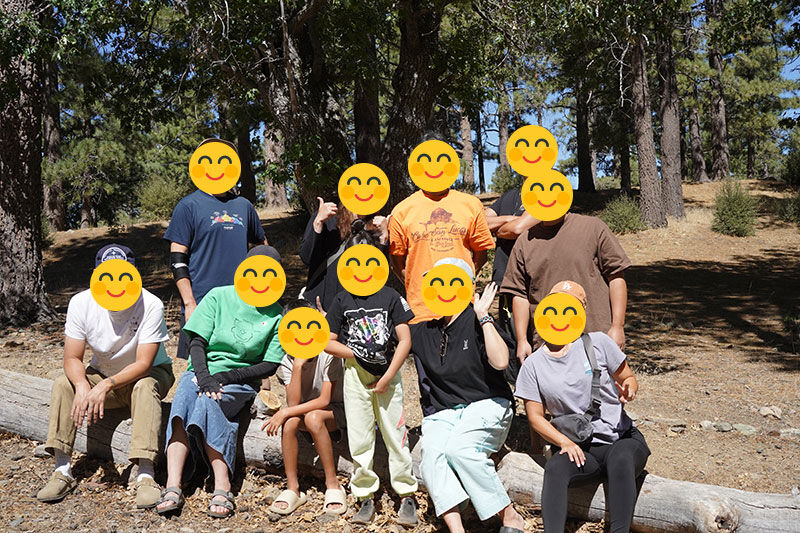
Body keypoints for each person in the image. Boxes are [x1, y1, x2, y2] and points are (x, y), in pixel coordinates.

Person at [37, 244, 174, 509]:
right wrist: (81, 385)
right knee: (63, 383)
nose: (115, 282)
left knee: (145, 386)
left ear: (134, 274)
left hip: (147, 375)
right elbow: (72, 358)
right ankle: (62, 470)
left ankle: (146, 473)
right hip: (103, 373)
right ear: (96, 275)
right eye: (107, 274)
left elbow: (144, 364)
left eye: (123, 274)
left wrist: (105, 386)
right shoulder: (81, 303)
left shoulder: (151, 304)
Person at [155, 245, 284, 518]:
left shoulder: (276, 314)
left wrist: (226, 377)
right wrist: (203, 376)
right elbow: (197, 341)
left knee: (208, 403)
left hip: (241, 379)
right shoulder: (219, 296)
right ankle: (173, 483)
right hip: (202, 370)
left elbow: (270, 364)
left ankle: (222, 483)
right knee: (183, 400)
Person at [514, 281, 649, 533]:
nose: (560, 316)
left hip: (620, 439)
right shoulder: (533, 365)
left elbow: (628, 378)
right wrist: (564, 442)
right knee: (555, 468)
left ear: (581, 312)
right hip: (580, 446)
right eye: (554, 308)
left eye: (569, 309)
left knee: (620, 459)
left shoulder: (599, 343)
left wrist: (629, 389)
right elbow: (535, 417)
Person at [410, 259, 525, 533]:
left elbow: (500, 361)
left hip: (487, 404)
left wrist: (484, 316)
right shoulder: (424, 330)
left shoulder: (477, 321)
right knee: (432, 456)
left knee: (460, 450)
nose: (442, 290)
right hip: (444, 412)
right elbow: (387, 334)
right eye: (435, 283)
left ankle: (510, 516)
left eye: (450, 283)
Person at [324, 223, 419, 526]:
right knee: (360, 436)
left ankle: (406, 494)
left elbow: (405, 339)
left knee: (395, 434)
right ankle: (365, 495)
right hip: (355, 377)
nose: (362, 269)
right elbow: (327, 341)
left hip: (389, 375)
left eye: (369, 261)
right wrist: (355, 354)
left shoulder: (390, 296)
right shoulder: (342, 300)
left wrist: (389, 376)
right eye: (355, 261)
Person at [164, 139, 267, 360]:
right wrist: (189, 303)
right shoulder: (188, 206)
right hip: (202, 303)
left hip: (243, 302)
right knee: (200, 369)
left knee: (244, 368)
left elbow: (264, 251)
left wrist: (263, 292)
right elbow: (177, 259)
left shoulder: (244, 206)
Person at [499, 209, 631, 368]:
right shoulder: (524, 241)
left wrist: (617, 326)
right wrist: (522, 340)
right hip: (548, 345)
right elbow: (519, 294)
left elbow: (616, 276)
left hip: (595, 339)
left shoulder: (593, 227)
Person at [388, 140, 495, 325]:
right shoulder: (402, 210)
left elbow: (481, 253)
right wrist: (417, 284)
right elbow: (396, 261)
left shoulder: (471, 205)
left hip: (461, 306)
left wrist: (464, 279)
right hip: (421, 312)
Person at [266, 299, 348, 516]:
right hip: (303, 410)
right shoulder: (287, 361)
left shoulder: (328, 353)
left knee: (311, 417)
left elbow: (324, 400)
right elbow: (294, 404)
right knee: (291, 423)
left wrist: (284, 412)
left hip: (336, 411)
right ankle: (292, 487)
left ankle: (332, 484)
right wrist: (298, 365)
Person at [484, 185, 536, 381]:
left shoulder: (546, 192)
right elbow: (481, 222)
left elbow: (517, 229)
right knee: (512, 339)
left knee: (536, 339)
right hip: (506, 280)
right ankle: (519, 388)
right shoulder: (511, 195)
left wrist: (502, 227)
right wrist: (510, 219)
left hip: (533, 281)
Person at [299, 197, 388, 311]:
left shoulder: (377, 226)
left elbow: (379, 274)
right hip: (320, 303)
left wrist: (384, 237)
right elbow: (306, 257)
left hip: (355, 308)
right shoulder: (328, 218)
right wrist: (318, 222)